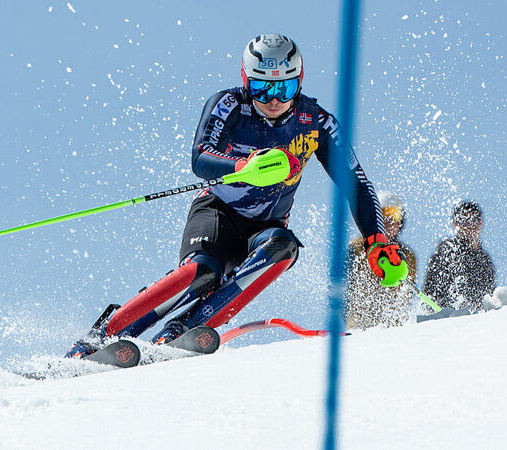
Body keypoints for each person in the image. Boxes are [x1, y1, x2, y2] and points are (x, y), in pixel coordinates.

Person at [66, 33, 407, 358]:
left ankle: (184, 329)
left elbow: (357, 182)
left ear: (299, 81)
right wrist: (243, 165)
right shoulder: (228, 104)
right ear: (246, 81)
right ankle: (102, 336)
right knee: (204, 272)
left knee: (284, 247)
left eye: (284, 87)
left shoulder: (315, 121)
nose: (273, 99)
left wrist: (376, 240)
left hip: (264, 228)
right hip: (217, 212)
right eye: (261, 88)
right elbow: (200, 157)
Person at [345, 192, 417, 330]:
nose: (389, 220)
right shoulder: (356, 249)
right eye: (385, 213)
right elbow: (341, 290)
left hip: (395, 329)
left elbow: (408, 297)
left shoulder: (407, 256)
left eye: (394, 214)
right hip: (361, 328)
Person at [422, 201, 495, 312]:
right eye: (464, 221)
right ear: (456, 224)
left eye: (474, 220)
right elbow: (430, 293)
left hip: (477, 322)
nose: (470, 225)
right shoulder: (447, 251)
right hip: (448, 320)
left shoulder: (485, 261)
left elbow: (489, 298)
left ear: (481, 223)